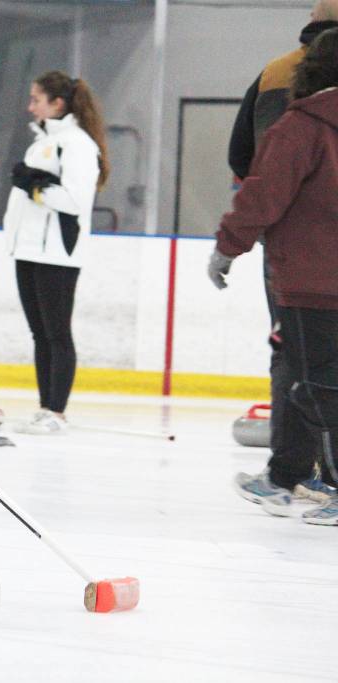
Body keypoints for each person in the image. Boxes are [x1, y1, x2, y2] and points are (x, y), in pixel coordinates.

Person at [211, 28, 338, 526]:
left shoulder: (302, 126)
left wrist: (227, 247)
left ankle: (318, 481)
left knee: (316, 386)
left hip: (311, 283)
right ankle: (285, 477)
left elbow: (262, 193)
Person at [2, 71, 109, 435]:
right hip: (29, 250)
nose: (30, 106)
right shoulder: (42, 142)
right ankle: (45, 405)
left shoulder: (77, 145)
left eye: (36, 99)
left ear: (57, 103)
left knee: (56, 332)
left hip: (58, 255)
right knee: (39, 333)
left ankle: (57, 411)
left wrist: (35, 186)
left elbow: (76, 200)